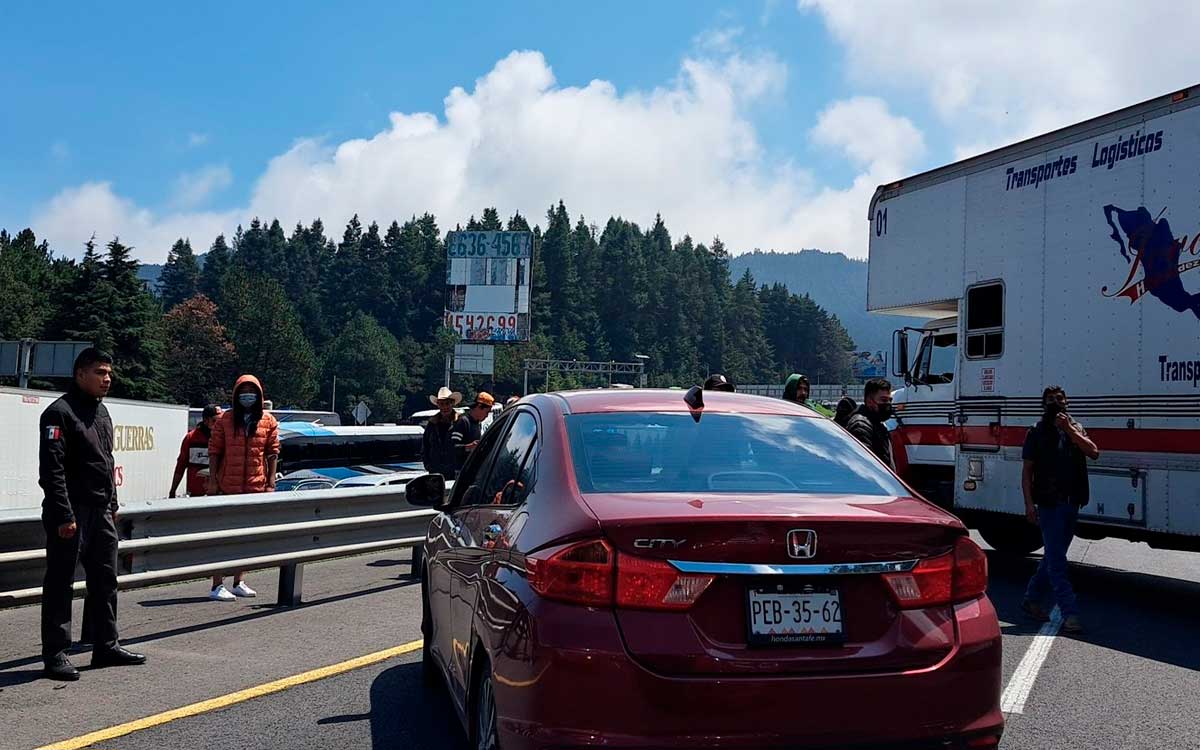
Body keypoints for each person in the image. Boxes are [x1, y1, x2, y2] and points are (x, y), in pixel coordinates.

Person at [39, 348, 146, 681]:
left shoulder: (102, 414)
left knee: (105, 581)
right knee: (61, 583)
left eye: (109, 373)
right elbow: (52, 471)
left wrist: (112, 505)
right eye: (100, 372)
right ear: (80, 374)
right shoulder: (59, 413)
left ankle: (106, 646)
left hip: (101, 512)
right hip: (71, 512)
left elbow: (107, 463)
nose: (107, 378)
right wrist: (64, 516)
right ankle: (56, 654)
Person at [1020, 386, 1099, 635]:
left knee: (1053, 557)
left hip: (1071, 502)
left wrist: (1069, 430)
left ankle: (1031, 598)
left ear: (1067, 402)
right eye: (1051, 400)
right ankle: (1070, 613)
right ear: (1043, 404)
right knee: (1057, 563)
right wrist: (1028, 504)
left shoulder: (1075, 427)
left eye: (1059, 399)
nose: (1056, 402)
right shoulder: (1036, 431)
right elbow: (1027, 472)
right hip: (1048, 503)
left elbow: (1094, 452)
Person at [206, 375, 279, 601]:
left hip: (255, 487)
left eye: (252, 391)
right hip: (228, 486)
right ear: (237, 395)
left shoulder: (268, 421)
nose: (248, 395)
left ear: (259, 395)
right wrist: (214, 480)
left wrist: (270, 482)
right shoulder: (225, 420)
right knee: (222, 537)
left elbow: (272, 452)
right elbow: (214, 451)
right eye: (243, 391)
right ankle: (217, 584)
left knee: (246, 538)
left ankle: (239, 581)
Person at [169, 405, 221, 499]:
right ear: (205, 420)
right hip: (196, 494)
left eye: (220, 421)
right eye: (214, 421)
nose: (218, 424)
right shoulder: (191, 438)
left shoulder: (224, 438)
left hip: (218, 492)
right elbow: (181, 466)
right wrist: (173, 490)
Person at [845, 378, 895, 468]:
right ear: (869, 401)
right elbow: (865, 465)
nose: (888, 404)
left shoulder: (878, 424)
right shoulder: (860, 425)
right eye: (883, 400)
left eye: (889, 400)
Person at [423, 387, 463, 479]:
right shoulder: (432, 424)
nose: (444, 407)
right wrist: (428, 465)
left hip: (455, 471)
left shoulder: (460, 422)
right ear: (438, 405)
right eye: (441, 404)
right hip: (435, 471)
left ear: (452, 403)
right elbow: (425, 446)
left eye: (447, 403)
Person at [453, 392, 495, 469]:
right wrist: (469, 447)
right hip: (460, 471)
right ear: (479, 406)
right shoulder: (463, 422)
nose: (487, 415)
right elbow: (452, 448)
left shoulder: (476, 424)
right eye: (487, 412)